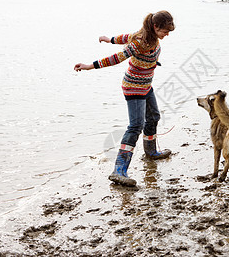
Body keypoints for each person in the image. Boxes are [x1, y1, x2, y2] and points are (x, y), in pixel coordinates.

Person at [74, 10, 175, 187]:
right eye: (164, 31)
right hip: (133, 87)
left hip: (145, 85)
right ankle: (119, 170)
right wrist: (89, 66)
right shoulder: (139, 42)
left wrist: (109, 39)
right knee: (136, 126)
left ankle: (151, 153)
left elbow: (124, 37)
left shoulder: (148, 36)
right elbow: (117, 58)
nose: (166, 35)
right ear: (155, 26)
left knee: (153, 117)